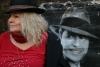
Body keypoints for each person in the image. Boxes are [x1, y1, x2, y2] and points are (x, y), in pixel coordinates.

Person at [0, 0, 68, 67]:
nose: (10, 20)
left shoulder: (50, 41)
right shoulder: (2, 39)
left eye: (16, 16)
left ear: (30, 19)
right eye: (10, 16)